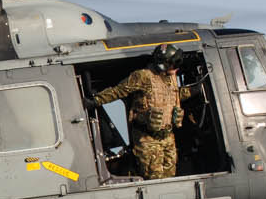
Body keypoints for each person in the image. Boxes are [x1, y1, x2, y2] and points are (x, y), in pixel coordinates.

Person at [86, 45, 202, 179]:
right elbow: (118, 91)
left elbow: (173, 96)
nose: (177, 67)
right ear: (162, 64)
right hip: (147, 139)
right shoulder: (143, 76)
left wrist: (195, 90)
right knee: (154, 177)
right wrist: (95, 101)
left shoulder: (171, 77)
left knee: (170, 176)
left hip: (167, 137)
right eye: (174, 63)